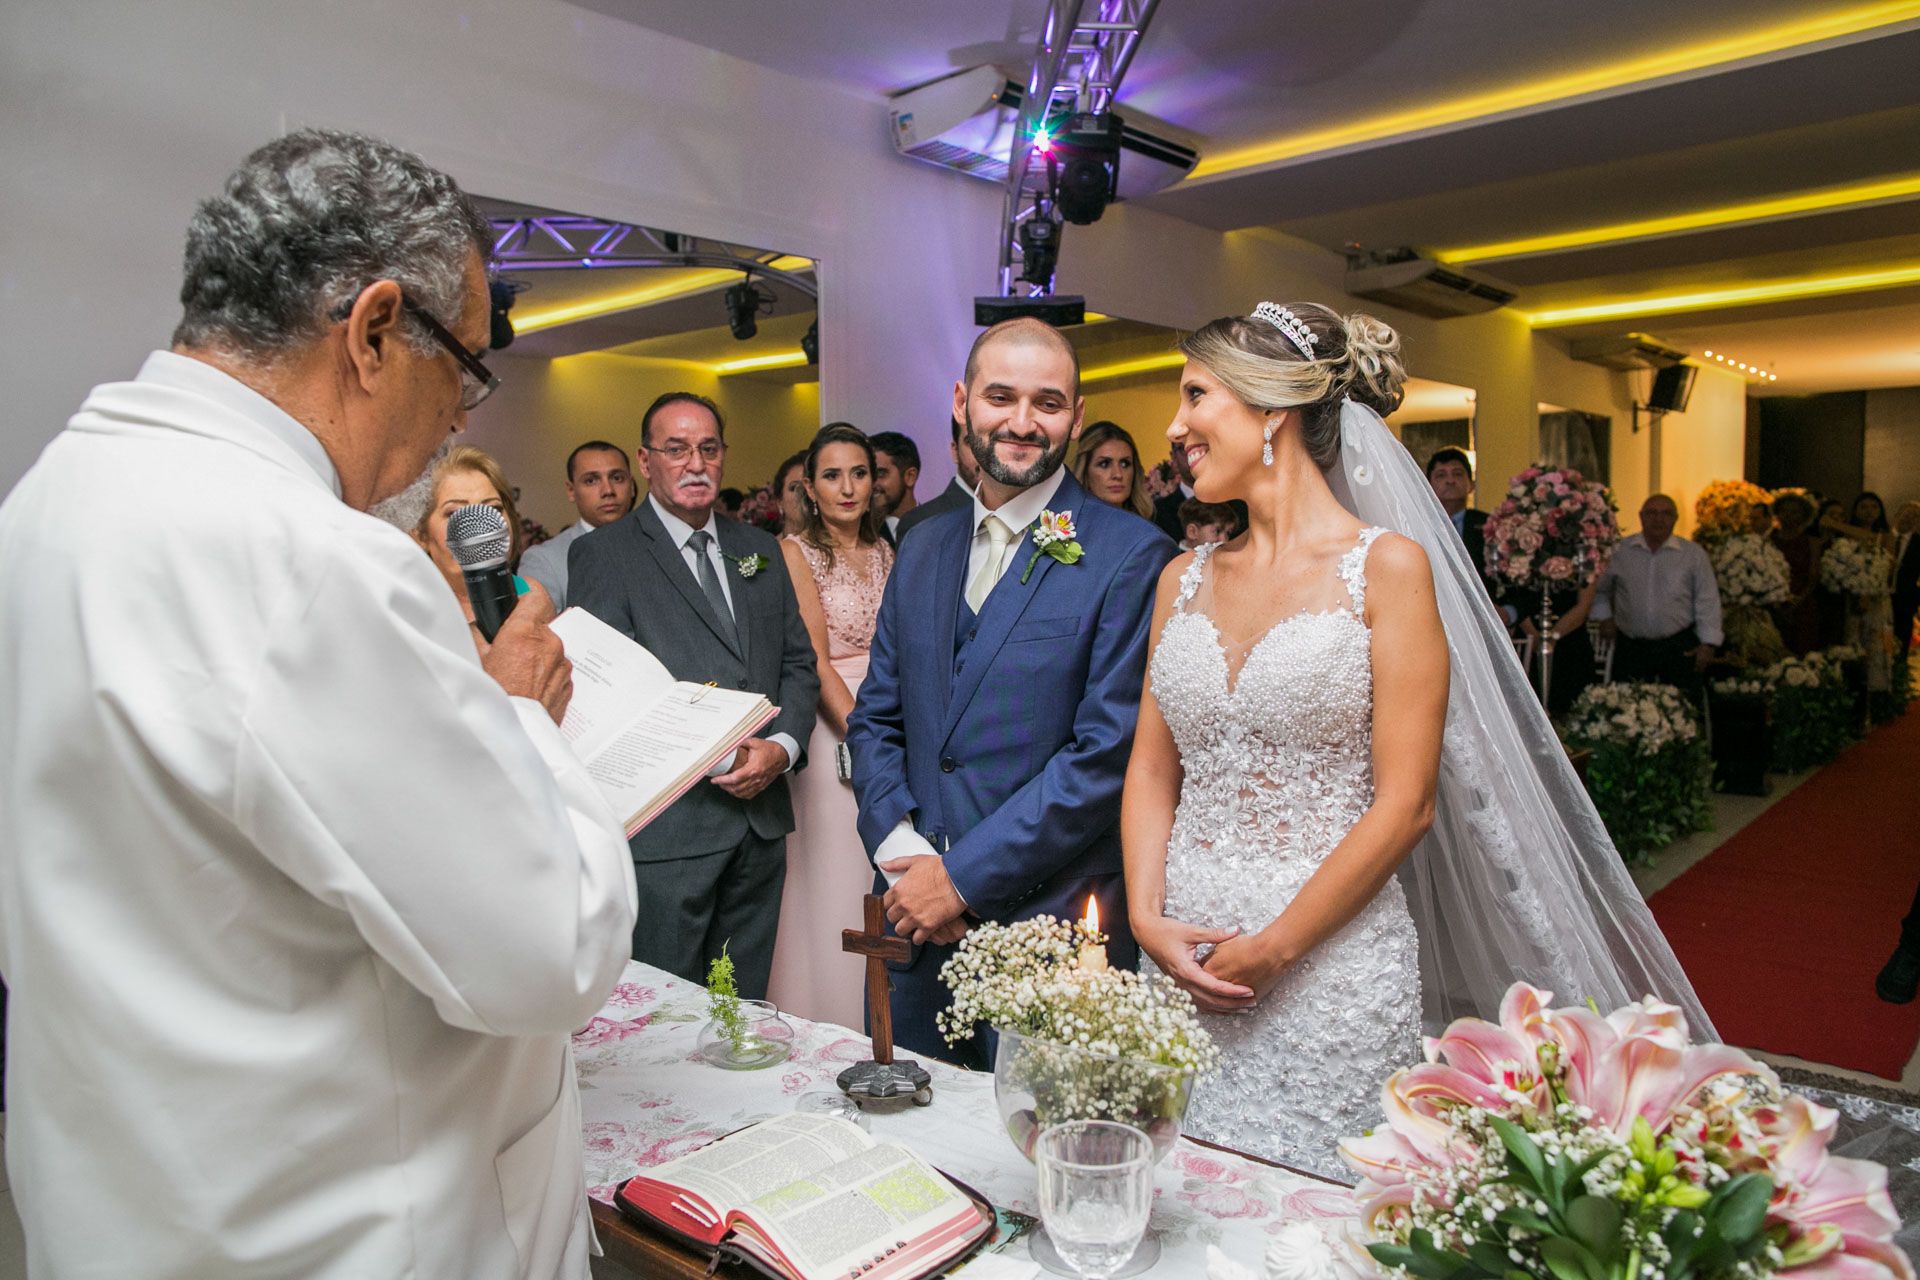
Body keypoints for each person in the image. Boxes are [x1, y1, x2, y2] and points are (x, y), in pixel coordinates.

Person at [0, 129, 636, 1279]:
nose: (462, 419)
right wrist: (522, 712)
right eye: (468, 366)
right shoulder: (314, 561)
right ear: (376, 330)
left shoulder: (49, 498)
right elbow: (551, 948)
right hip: (348, 1226)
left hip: (145, 1198)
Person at [1121, 301, 1712, 1176]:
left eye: (1195, 395)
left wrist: (1275, 949)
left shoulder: (1387, 569)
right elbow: (1150, 769)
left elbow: (1407, 804)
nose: (1174, 428)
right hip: (1177, 953)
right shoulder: (1182, 577)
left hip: (1326, 966)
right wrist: (1144, 915)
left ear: (1271, 410)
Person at [847, 318, 1176, 1067]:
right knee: (914, 1151)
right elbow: (876, 716)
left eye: (1048, 403)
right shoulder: (923, 542)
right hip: (910, 916)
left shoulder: (1134, 557)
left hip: (1050, 924)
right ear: (963, 403)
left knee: (1037, 1158)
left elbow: (1104, 756)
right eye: (1001, 397)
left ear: (1077, 418)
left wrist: (959, 880)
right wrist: (903, 854)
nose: (1023, 423)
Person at [568, 392, 819, 999]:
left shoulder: (759, 551)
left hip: (757, 822)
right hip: (670, 828)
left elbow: (797, 663)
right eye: (676, 449)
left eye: (708, 448)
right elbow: (612, 691)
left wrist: (781, 750)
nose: (695, 463)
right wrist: (722, 753)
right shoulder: (604, 554)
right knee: (668, 1015)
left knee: (745, 1009)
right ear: (646, 461)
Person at [768, 424, 895, 1026]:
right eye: (831, 475)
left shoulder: (891, 548)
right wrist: (865, 736)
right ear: (809, 490)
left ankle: (887, 1016)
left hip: (893, 724)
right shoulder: (795, 552)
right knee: (837, 872)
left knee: (886, 871)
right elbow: (814, 660)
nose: (847, 488)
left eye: (859, 473)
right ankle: (829, 1015)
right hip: (836, 726)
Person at [1591, 494, 1722, 693]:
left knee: (1681, 711)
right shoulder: (1620, 551)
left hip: (1678, 647)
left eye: (1666, 514)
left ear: (1675, 518)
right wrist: (1605, 617)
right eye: (1652, 513)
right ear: (1641, 516)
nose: (1658, 519)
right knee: (1625, 710)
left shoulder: (1693, 555)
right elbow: (1599, 590)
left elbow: (1707, 600)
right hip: (1631, 648)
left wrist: (1708, 643)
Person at [518, 440, 636, 609]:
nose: (608, 490)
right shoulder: (545, 560)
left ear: (631, 486)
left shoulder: (660, 544)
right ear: (571, 490)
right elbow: (538, 631)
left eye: (617, 478)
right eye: (591, 481)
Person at [1425, 446, 1515, 625]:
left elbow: (1512, 579)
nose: (1450, 480)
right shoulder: (1417, 525)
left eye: (1457, 474)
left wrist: (1508, 612)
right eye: (1441, 475)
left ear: (1471, 484)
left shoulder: (1492, 525)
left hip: (1484, 621)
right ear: (1428, 485)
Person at [1827, 492, 1898, 689]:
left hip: (1877, 599)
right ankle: (1851, 690)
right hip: (1851, 597)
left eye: (1874, 507)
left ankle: (1875, 694)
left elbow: (1888, 569)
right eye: (1864, 507)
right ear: (1856, 510)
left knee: (1877, 645)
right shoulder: (1846, 536)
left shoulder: (1886, 537)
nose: (1869, 511)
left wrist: (1870, 586)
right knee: (1852, 642)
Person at [894, 417, 978, 539]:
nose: (984, 455)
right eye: (972, 443)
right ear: (955, 451)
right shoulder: (920, 522)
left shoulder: (1012, 515)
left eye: (994, 442)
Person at [1771, 492, 1823, 656]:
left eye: (1794, 512)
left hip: (1803, 605)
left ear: (1804, 515)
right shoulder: (1769, 540)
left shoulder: (1812, 542)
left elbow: (1814, 576)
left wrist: (1796, 602)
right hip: (1773, 604)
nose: (1789, 516)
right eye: (1784, 511)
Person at [1073, 420, 1154, 519]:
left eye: (1125, 464)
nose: (1118, 475)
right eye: (1104, 464)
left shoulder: (1150, 530)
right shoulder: (1066, 529)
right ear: (1085, 471)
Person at [869, 429, 921, 543]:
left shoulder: (939, 527)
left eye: (881, 473)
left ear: (910, 477)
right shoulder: (861, 534)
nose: (871, 483)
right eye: (866, 474)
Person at [1893, 500, 1920, 659]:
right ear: (1897, 515)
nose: (1909, 518)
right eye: (1907, 514)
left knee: (1900, 646)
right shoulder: (1881, 536)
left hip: (1905, 603)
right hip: (1877, 599)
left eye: (1915, 517)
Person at [773, 449, 810, 535]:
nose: (804, 493)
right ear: (780, 501)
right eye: (794, 488)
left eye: (811, 487)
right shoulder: (763, 547)